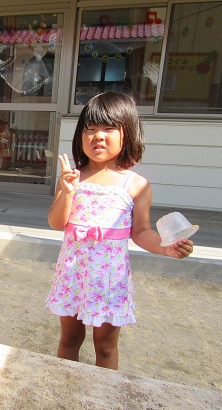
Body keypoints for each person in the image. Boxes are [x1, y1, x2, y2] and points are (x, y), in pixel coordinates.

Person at [45, 92, 194, 370]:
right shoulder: (72, 178)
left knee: (105, 346)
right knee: (70, 339)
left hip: (110, 279)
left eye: (108, 128)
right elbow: (56, 222)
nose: (97, 136)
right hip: (73, 273)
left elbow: (142, 232)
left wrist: (167, 247)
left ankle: (105, 391)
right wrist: (67, 192)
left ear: (128, 133)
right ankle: (64, 387)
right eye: (90, 129)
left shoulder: (136, 185)